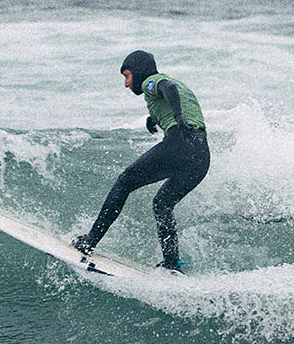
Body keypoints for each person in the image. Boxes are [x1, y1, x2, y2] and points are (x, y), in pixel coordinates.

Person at [72, 50, 210, 272]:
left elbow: (167, 89)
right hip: (201, 156)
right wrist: (153, 117)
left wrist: (177, 118)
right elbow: (172, 96)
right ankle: (171, 264)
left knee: (124, 182)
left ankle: (90, 241)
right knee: (162, 204)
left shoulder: (151, 81)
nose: (127, 84)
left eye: (127, 76)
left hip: (180, 143)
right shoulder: (181, 85)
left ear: (138, 72)